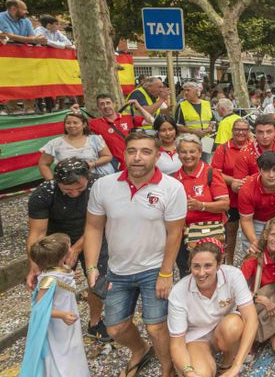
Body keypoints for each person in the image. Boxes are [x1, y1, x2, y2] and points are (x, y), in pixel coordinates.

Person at [83, 132, 188, 377]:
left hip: (154, 268)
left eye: (145, 152)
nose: (137, 158)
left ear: (157, 156)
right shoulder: (103, 186)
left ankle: (167, 368)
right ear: (124, 154)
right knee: (116, 327)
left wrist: (166, 273)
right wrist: (91, 267)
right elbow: (94, 227)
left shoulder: (172, 188)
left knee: (156, 326)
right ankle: (140, 349)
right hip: (117, 269)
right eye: (132, 151)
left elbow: (175, 234)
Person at [27, 158, 110, 342]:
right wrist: (35, 264)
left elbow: (98, 223)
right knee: (56, 282)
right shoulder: (43, 194)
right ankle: (58, 322)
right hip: (57, 239)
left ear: (87, 179)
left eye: (79, 189)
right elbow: (37, 233)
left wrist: (76, 248)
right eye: (67, 190)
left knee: (96, 277)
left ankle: (95, 322)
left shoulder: (99, 186)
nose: (73, 194)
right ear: (57, 183)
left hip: (94, 233)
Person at [168, 239, 257, 377]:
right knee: (200, 374)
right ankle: (204, 359)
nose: (201, 273)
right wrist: (188, 371)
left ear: (219, 264)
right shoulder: (178, 292)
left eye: (208, 266)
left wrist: (236, 366)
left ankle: (227, 362)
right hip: (197, 339)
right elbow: (177, 344)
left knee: (233, 325)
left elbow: (251, 320)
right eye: (196, 266)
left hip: (224, 330)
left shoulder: (234, 276)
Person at [20, 233, 89, 377]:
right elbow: (39, 308)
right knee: (61, 352)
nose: (71, 249)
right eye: (69, 247)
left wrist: (70, 275)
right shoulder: (49, 280)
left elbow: (64, 277)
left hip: (68, 321)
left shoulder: (61, 269)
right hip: (58, 325)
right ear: (61, 256)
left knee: (72, 347)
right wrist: (62, 315)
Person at [173, 134, 229, 275]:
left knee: (214, 272)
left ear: (199, 153)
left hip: (212, 233)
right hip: (184, 235)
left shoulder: (210, 173)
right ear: (177, 154)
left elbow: (225, 204)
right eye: (183, 151)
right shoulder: (174, 178)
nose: (188, 155)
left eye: (192, 151)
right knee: (187, 273)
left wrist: (201, 205)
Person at [239, 217, 275, 354]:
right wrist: (263, 300)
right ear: (266, 235)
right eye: (273, 234)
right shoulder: (254, 256)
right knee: (247, 350)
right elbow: (238, 290)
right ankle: (253, 333)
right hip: (257, 304)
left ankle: (272, 330)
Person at [211, 117, 250, 263]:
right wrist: (234, 181)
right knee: (231, 233)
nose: (240, 132)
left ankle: (249, 264)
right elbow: (215, 172)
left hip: (249, 198)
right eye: (237, 129)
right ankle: (230, 263)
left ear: (248, 132)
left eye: (244, 130)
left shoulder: (253, 147)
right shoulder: (223, 148)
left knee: (249, 232)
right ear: (232, 131)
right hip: (231, 198)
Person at [38, 112, 114, 180]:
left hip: (95, 181)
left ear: (84, 124)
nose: (71, 125)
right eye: (68, 123)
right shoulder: (55, 143)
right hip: (68, 185)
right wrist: (52, 182)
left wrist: (92, 164)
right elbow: (43, 164)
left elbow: (107, 156)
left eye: (75, 123)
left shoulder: (95, 139)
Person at [86, 93, 153, 170]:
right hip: (116, 166)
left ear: (114, 104)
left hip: (135, 160)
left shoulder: (128, 118)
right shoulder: (95, 123)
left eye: (108, 103)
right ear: (98, 107)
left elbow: (151, 121)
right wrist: (76, 112)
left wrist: (138, 107)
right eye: (102, 104)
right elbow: (77, 127)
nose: (106, 106)